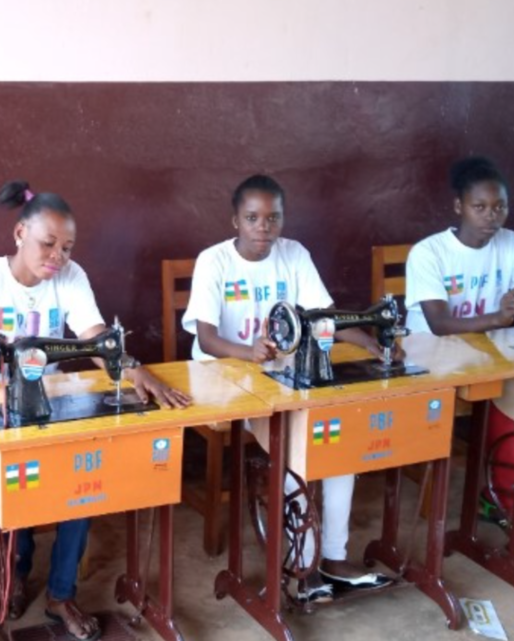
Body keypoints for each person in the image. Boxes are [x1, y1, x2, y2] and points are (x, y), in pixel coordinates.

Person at [0, 180, 190, 641]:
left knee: (83, 480)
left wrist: (137, 372)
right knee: (19, 487)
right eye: (48, 243)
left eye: (67, 247)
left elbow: (98, 341)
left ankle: (61, 593)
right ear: (20, 233)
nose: (58, 256)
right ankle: (16, 572)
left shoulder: (71, 277)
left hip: (48, 405)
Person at [182, 174, 398, 604]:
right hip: (225, 377)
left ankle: (332, 557)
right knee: (295, 445)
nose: (263, 227)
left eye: (273, 218)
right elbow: (206, 338)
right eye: (252, 218)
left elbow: (324, 316)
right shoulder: (214, 261)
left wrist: (369, 342)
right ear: (235, 220)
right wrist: (249, 352)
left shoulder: (294, 254)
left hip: (280, 376)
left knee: (339, 443)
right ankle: (303, 563)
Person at [404, 156, 514, 563]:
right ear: (459, 206)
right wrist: (500, 316)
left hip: (491, 355)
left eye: (500, 207)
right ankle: (509, 503)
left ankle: (503, 493)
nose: (492, 216)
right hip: (433, 358)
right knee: (513, 404)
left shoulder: (511, 243)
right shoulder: (429, 252)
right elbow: (438, 324)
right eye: (480, 207)